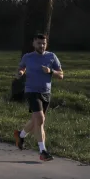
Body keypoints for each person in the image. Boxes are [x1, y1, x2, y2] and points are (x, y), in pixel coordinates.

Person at [14, 33, 64, 162]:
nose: (41, 46)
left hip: (46, 92)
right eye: (39, 43)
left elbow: (61, 75)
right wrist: (20, 73)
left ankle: (20, 135)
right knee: (40, 119)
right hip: (31, 91)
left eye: (44, 43)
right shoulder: (28, 57)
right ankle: (43, 151)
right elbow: (22, 67)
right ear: (34, 44)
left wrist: (51, 71)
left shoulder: (52, 56)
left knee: (37, 120)